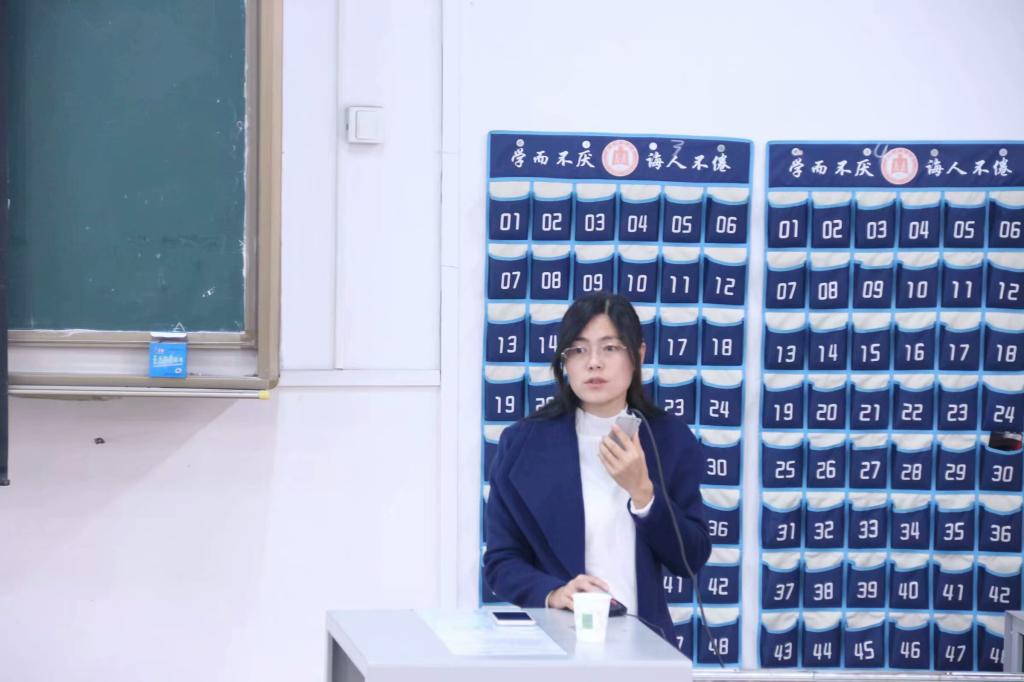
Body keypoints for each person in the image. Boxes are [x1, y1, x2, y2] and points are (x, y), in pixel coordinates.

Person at [483, 292, 711, 644]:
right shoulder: (522, 445)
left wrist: (644, 494)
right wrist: (554, 592)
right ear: (565, 362)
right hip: (556, 643)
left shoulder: (669, 439)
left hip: (644, 645)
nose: (593, 363)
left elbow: (691, 558)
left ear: (638, 355)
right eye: (578, 350)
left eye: (610, 348)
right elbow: (501, 562)